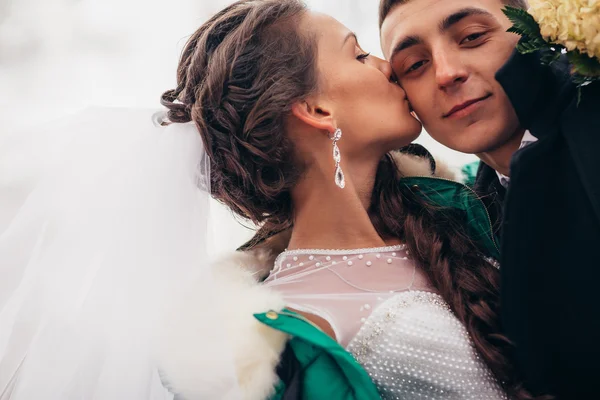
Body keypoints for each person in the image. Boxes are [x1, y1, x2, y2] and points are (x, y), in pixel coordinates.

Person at [0, 1, 521, 399]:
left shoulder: (455, 204)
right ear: (316, 109)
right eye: (359, 53)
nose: (388, 65)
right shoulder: (280, 337)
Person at [379, 0, 600, 398]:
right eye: (415, 65)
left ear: (536, 31)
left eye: (473, 37)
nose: (446, 74)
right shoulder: (466, 224)